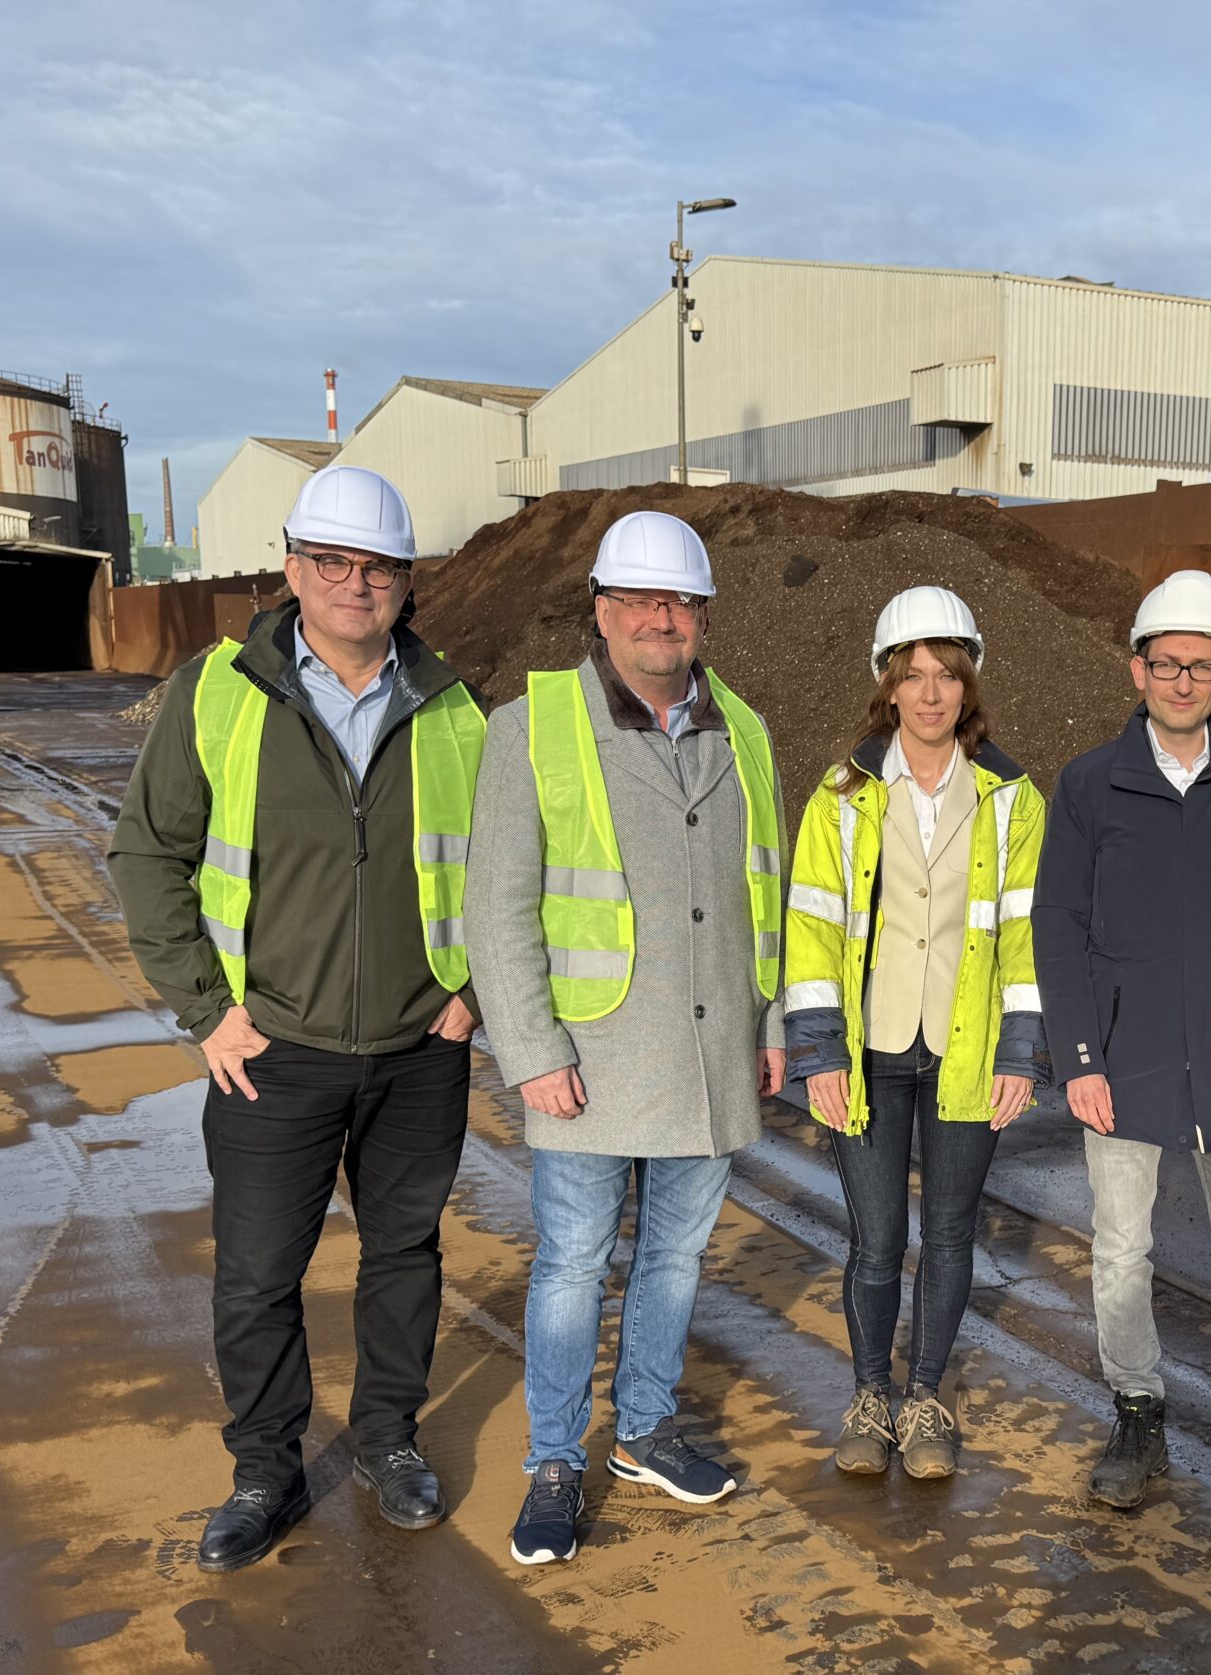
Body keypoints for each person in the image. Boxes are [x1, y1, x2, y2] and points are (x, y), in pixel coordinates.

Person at [109, 464, 486, 1572]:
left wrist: (476, 991)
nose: (354, 583)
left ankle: (388, 1442)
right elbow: (149, 854)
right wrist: (207, 1012)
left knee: (404, 1254)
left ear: (406, 582)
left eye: (378, 567)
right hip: (271, 1049)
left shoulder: (455, 706)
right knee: (257, 1275)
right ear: (292, 567)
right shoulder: (219, 692)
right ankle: (264, 1471)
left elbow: (507, 865)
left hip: (419, 1047)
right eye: (332, 561)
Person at [463, 510, 786, 1567]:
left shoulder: (743, 728)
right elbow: (497, 905)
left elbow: (764, 891)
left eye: (680, 601)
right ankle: (556, 1461)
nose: (661, 618)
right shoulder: (533, 725)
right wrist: (532, 1049)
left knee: (677, 1257)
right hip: (590, 1061)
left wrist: (769, 1020)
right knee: (572, 1265)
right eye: (640, 599)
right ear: (599, 610)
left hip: (710, 1054)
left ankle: (644, 1429)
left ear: (704, 616)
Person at [1032, 571, 1211, 1529]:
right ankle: (1137, 1415)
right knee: (1121, 1253)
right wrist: (1080, 1056)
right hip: (1125, 1063)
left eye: (1203, 665)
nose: (1184, 680)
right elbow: (1059, 925)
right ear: (1138, 668)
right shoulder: (1089, 784)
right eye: (1168, 663)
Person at [783, 587, 1047, 1480]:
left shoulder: (1012, 800)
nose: (931, 692)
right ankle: (870, 1395)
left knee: (950, 1233)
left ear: (969, 685)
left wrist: (1020, 1051)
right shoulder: (841, 795)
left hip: (967, 1051)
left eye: (947, 674)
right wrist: (820, 1052)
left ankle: (925, 1396)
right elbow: (812, 927)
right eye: (913, 673)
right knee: (875, 1239)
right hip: (871, 1051)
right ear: (887, 684)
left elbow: (1028, 933)